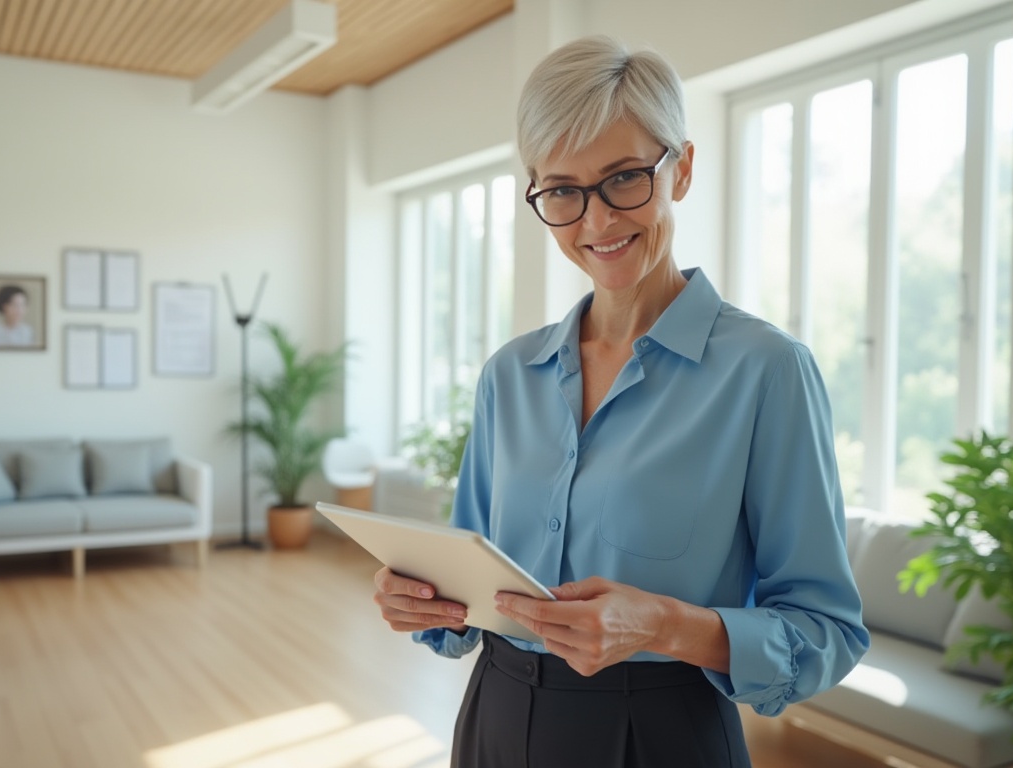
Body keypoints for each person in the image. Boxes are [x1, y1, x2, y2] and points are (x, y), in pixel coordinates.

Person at [372, 35, 869, 768]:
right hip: (495, 718)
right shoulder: (509, 375)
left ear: (683, 168)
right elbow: (467, 586)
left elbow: (827, 631)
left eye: (625, 178)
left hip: (663, 735)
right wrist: (421, 601)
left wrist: (664, 625)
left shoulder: (766, 372)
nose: (597, 222)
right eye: (563, 191)